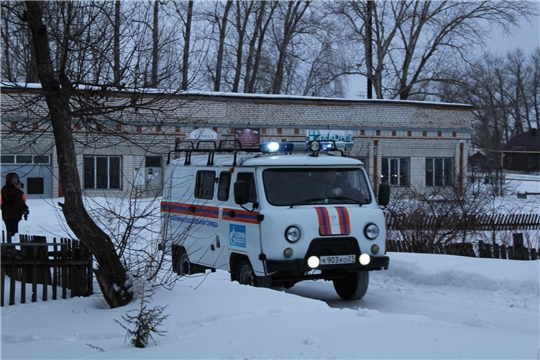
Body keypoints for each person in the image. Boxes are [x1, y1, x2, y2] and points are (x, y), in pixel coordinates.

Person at [1, 172, 29, 242]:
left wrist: (25, 208)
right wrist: (16, 189)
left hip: (16, 215)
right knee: (11, 233)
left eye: (16, 179)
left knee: (15, 233)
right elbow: (8, 198)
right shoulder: (5, 189)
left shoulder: (18, 191)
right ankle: (9, 247)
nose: (15, 180)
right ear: (9, 180)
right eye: (13, 179)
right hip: (9, 215)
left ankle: (13, 247)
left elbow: (20, 201)